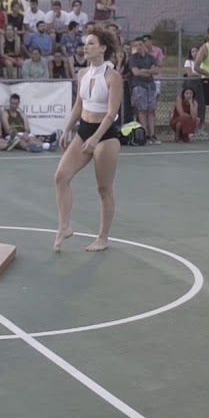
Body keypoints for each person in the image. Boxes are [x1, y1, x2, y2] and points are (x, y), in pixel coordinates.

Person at [53, 26, 124, 253]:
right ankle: (64, 226)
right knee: (61, 177)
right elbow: (78, 105)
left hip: (105, 137)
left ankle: (102, 237)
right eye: (86, 43)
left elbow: (111, 113)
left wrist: (95, 138)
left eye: (91, 43)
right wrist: (66, 130)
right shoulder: (82, 74)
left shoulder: (113, 76)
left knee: (103, 189)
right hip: (83, 132)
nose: (86, 47)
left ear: (103, 48)